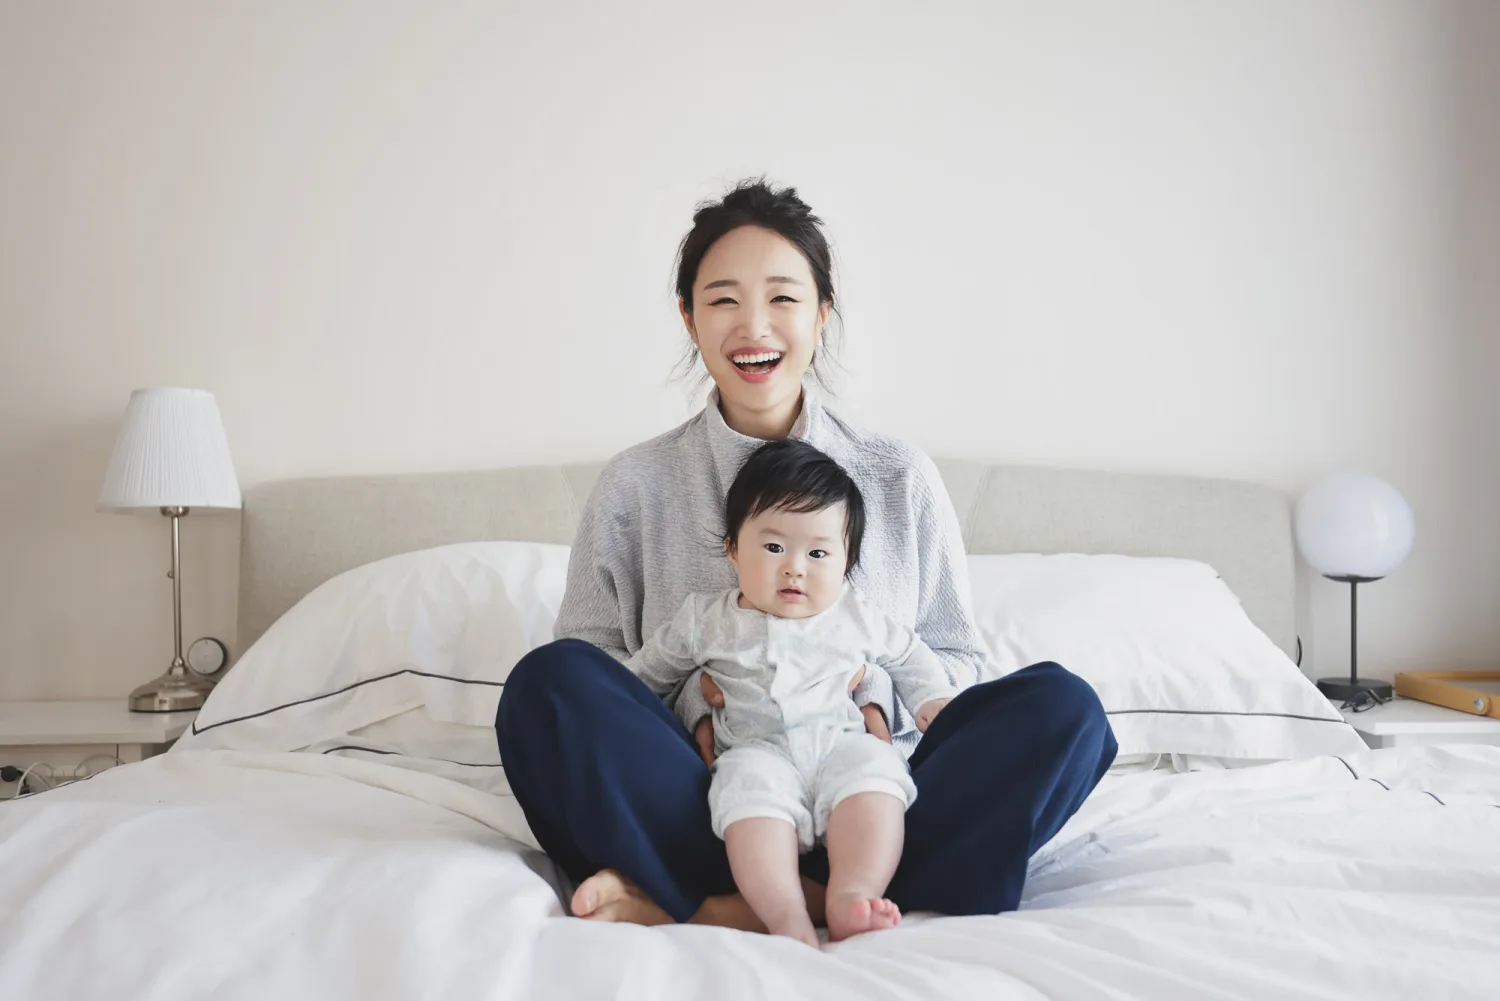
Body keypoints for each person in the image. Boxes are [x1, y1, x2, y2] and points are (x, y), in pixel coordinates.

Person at [496, 178, 1118, 934]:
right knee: (546, 686)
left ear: (822, 315)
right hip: (707, 793)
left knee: (1066, 711)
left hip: (873, 791)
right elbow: (597, 676)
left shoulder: (897, 477)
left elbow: (953, 661)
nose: (753, 325)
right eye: (723, 299)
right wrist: (704, 703)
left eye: (783, 298)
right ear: (689, 319)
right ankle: (772, 891)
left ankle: (713, 899)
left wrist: (870, 702)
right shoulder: (636, 486)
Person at [629, 439, 957, 945]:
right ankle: (784, 914)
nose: (795, 567)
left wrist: (930, 699)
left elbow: (909, 655)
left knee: (877, 779)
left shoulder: (852, 613)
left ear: (846, 562)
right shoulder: (704, 620)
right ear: (733, 549)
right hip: (757, 752)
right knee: (745, 797)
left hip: (841, 744)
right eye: (774, 547)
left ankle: (853, 892)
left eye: (819, 552)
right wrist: (672, 704)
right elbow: (642, 681)